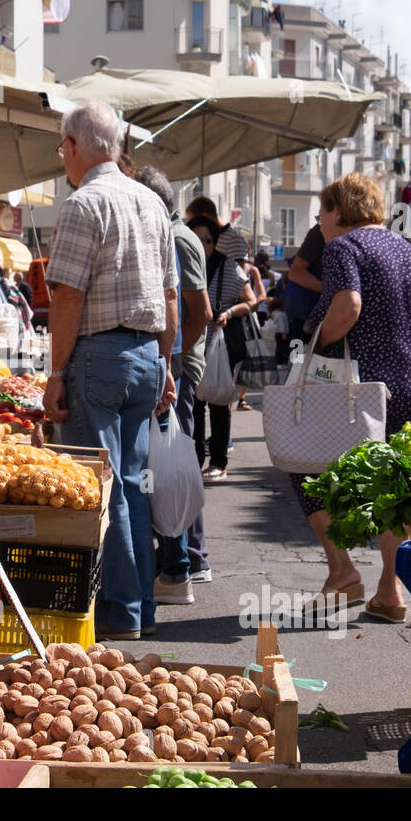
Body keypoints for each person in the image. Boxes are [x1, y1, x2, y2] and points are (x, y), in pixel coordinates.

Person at [44, 102, 178, 641]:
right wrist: (166, 362)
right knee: (130, 486)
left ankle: (119, 614)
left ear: (76, 146)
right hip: (145, 356)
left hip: (98, 358)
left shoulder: (83, 204)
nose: (63, 159)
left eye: (62, 149)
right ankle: (140, 609)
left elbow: (68, 298)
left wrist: (55, 373)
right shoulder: (151, 202)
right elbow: (169, 297)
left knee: (101, 489)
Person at [293, 172, 411, 618]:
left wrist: (318, 349)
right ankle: (389, 589)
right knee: (393, 487)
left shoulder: (343, 247)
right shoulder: (407, 250)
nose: (320, 221)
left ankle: (342, 571)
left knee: (303, 464)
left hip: (359, 391)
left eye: (322, 212)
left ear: (339, 211)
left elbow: (349, 305)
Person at [135, 165, 214, 604]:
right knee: (171, 462)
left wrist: (174, 357)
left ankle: (179, 567)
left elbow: (197, 308)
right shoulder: (176, 235)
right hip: (175, 362)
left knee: (167, 467)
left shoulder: (177, 238)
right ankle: (185, 562)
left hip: (177, 366)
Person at [188, 214, 256, 481]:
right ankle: (193, 460)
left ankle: (218, 462)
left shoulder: (227, 266)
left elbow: (251, 300)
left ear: (214, 242)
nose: (202, 244)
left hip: (218, 343)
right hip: (191, 342)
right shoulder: (183, 263)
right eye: (197, 238)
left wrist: (228, 311)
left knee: (218, 402)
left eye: (207, 239)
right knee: (192, 403)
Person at [284, 221, 325, 352]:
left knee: (297, 344)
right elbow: (295, 273)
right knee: (300, 349)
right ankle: (295, 368)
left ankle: (294, 367)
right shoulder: (318, 232)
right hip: (309, 309)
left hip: (300, 310)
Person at [234, 252, 268, 411]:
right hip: (231, 316)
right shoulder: (228, 267)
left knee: (245, 359)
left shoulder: (252, 270)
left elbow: (262, 295)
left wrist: (251, 304)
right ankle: (228, 396)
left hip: (247, 317)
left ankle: (241, 397)